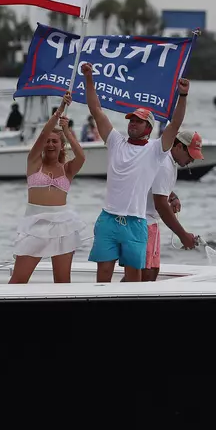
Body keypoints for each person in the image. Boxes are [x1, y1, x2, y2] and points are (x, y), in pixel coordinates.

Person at [82, 62, 190, 283]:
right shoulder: (115, 141)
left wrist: (183, 95)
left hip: (136, 222)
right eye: (131, 119)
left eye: (139, 121)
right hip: (108, 218)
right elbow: (96, 110)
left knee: (134, 280)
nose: (132, 123)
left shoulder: (156, 150)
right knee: (102, 278)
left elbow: (176, 124)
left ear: (148, 129)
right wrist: (89, 78)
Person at [10, 92, 90, 284]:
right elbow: (43, 134)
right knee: (18, 280)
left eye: (55, 141)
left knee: (63, 281)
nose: (50, 144)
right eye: (48, 141)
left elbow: (81, 157)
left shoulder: (67, 169)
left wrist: (67, 131)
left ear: (62, 146)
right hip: (35, 224)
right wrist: (60, 110)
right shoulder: (34, 163)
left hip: (63, 225)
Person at [142, 130, 203, 281]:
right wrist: (183, 236)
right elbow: (161, 205)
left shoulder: (169, 161)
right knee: (144, 273)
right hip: (143, 222)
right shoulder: (165, 164)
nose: (191, 161)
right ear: (179, 147)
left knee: (152, 271)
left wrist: (172, 195)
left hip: (149, 222)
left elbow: (155, 184)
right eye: (190, 155)